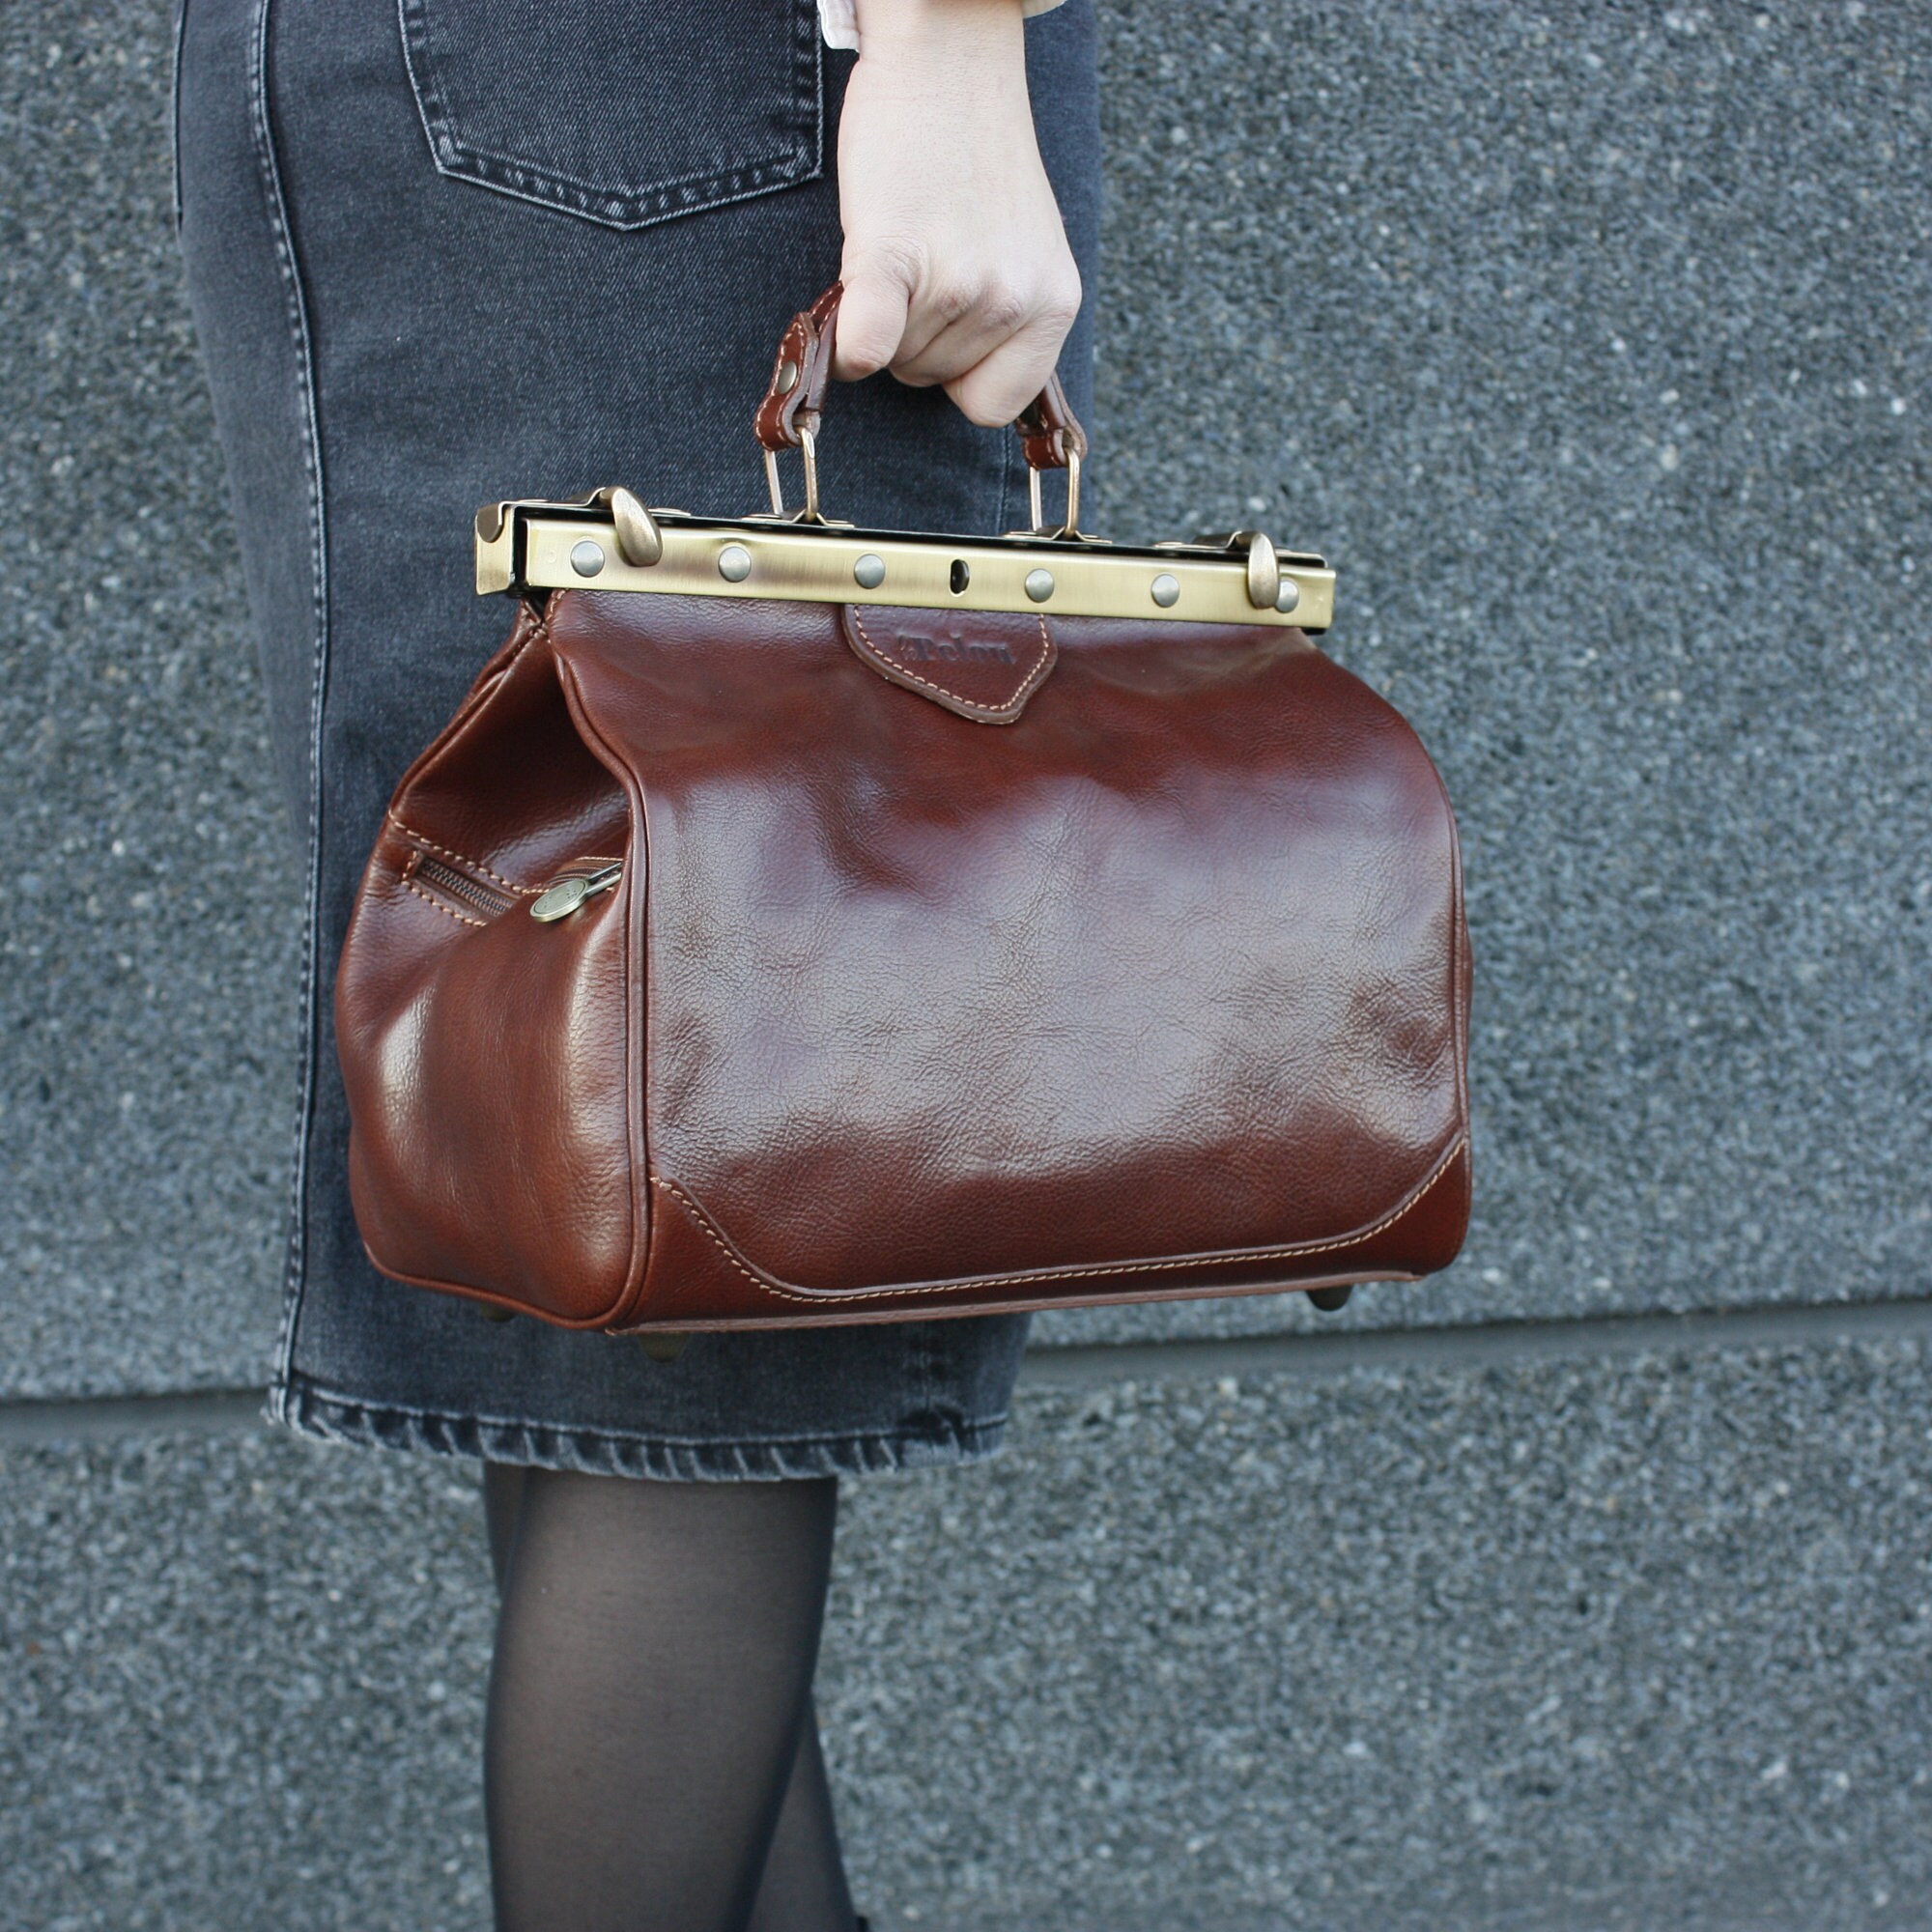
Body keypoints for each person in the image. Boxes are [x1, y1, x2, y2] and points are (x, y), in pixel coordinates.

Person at [174, 0, 1097, 1924]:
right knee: (709, 1267)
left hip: (450, 102)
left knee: (629, 1249)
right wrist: (946, 33)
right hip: (697, 87)